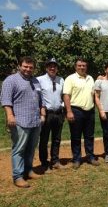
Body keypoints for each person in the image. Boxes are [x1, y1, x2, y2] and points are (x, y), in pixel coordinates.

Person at [1, 56, 45, 188]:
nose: (28, 69)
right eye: (25, 66)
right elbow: (6, 100)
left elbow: (40, 99)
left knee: (31, 148)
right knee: (19, 149)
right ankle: (18, 176)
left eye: (31, 67)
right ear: (19, 66)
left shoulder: (35, 81)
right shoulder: (11, 80)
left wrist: (42, 113)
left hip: (34, 121)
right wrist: (10, 116)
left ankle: (29, 170)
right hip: (20, 121)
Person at [63, 57, 100, 169]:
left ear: (86, 67)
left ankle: (90, 156)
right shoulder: (70, 78)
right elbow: (66, 96)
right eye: (79, 65)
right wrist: (69, 111)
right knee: (76, 136)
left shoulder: (90, 78)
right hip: (76, 110)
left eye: (84, 65)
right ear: (75, 67)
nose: (82, 67)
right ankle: (77, 158)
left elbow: (94, 93)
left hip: (89, 111)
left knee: (89, 136)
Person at [37, 58, 65, 171]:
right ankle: (44, 162)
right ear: (46, 68)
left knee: (57, 139)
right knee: (44, 139)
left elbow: (64, 95)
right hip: (46, 113)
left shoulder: (61, 80)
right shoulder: (39, 80)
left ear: (57, 68)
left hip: (58, 113)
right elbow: (37, 97)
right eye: (50, 66)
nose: (52, 68)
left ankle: (55, 161)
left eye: (54, 66)